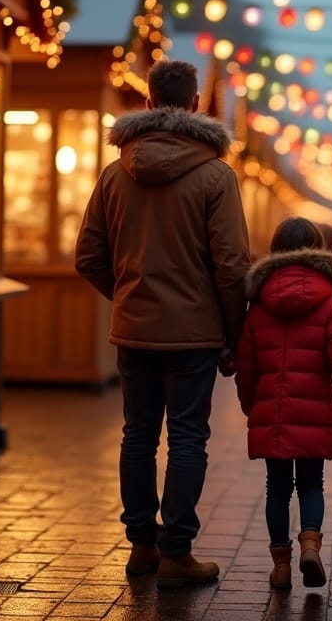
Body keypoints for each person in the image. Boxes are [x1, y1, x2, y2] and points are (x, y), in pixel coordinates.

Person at [74, 59, 251, 588]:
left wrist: (129, 294)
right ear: (196, 104)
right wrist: (233, 333)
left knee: (138, 435)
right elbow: (232, 265)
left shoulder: (114, 173)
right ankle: (177, 553)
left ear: (148, 102)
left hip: (134, 329)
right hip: (194, 334)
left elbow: (88, 256)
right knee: (188, 439)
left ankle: (141, 547)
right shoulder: (216, 176)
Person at [234, 217, 332, 590]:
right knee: (311, 485)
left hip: (272, 415)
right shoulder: (328, 305)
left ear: (274, 250)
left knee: (276, 489)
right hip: (314, 414)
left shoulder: (257, 307)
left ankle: (281, 566)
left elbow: (246, 369)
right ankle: (310, 545)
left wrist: (252, 407)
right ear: (318, 250)